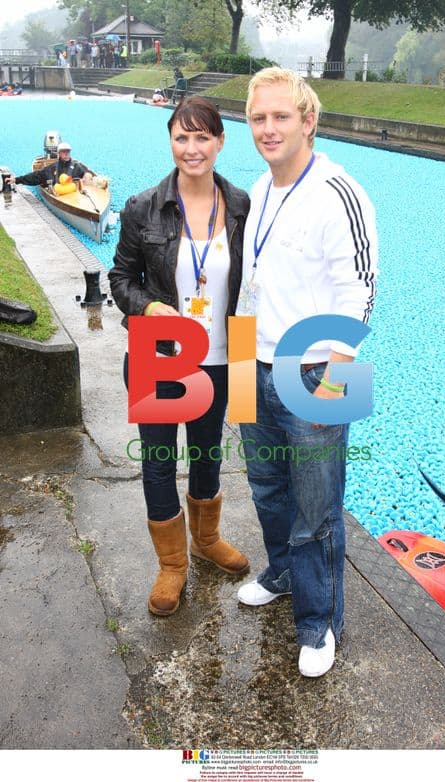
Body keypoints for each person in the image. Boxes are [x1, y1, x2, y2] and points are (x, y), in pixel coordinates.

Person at [236, 68, 378, 677]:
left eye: (281, 117)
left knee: (318, 503)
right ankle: (285, 572)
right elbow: (251, 285)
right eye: (258, 118)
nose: (268, 129)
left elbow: (360, 294)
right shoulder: (258, 188)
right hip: (254, 358)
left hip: (318, 368)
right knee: (267, 488)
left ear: (308, 121)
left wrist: (331, 381)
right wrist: (240, 360)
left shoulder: (340, 191)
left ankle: (319, 623)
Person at [109, 97, 251, 617]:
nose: (192, 148)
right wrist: (149, 305)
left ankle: (206, 540)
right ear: (171, 142)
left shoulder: (240, 205)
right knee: (158, 461)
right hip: (158, 355)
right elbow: (119, 280)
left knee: (209, 454)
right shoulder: (142, 207)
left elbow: (253, 287)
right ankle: (171, 564)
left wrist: (245, 364)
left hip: (219, 357)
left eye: (202, 137)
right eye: (181, 138)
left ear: (219, 141)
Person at [8, 141, 92, 188]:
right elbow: (36, 176)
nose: (66, 154)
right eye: (63, 151)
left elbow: (87, 173)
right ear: (59, 153)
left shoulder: (77, 167)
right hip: (59, 196)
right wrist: (16, 180)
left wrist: (87, 176)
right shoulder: (51, 168)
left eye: (68, 151)